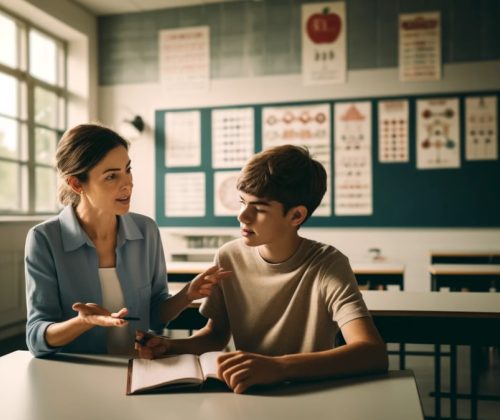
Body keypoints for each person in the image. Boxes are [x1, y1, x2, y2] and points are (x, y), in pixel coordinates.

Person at [136, 145, 388, 393]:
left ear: (296, 216)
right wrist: (170, 347)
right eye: (242, 202)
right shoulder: (229, 256)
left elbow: (372, 352)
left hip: (309, 394)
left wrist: (279, 367)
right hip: (247, 393)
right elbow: (216, 335)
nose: (242, 216)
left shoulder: (327, 264)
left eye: (258, 208)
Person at [25, 124, 229, 357]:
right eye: (111, 176)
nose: (128, 183)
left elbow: (153, 316)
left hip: (138, 369)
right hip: (78, 374)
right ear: (76, 184)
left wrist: (187, 295)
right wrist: (83, 322)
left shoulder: (147, 230)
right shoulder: (44, 239)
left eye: (127, 170)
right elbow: (36, 338)